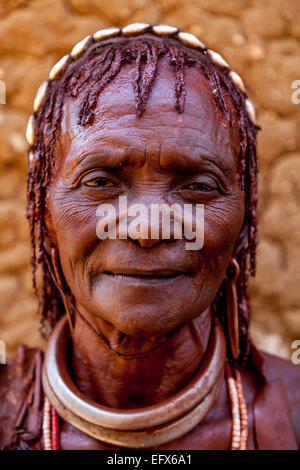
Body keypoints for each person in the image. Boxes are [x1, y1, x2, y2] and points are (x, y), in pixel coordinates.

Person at [0, 23, 299, 450]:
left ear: (243, 223)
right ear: (44, 213)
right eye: (100, 182)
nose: (147, 229)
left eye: (197, 186)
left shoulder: (294, 415)